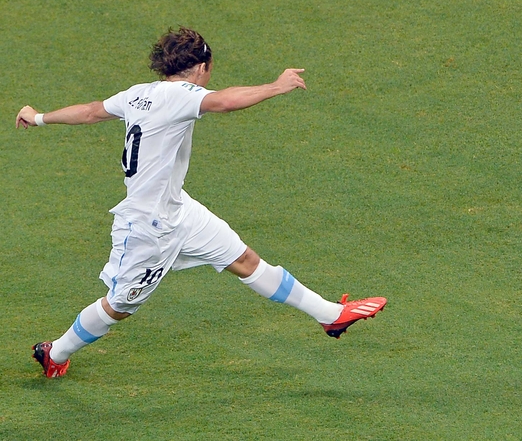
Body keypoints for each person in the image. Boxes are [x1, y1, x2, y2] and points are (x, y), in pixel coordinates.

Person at [15, 27, 386, 378]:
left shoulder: (138, 93)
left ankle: (331, 315)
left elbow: (91, 110)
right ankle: (55, 353)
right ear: (202, 67)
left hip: (179, 210)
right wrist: (277, 86)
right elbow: (223, 102)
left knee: (244, 260)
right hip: (148, 228)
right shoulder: (181, 94)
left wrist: (39, 117)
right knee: (120, 305)